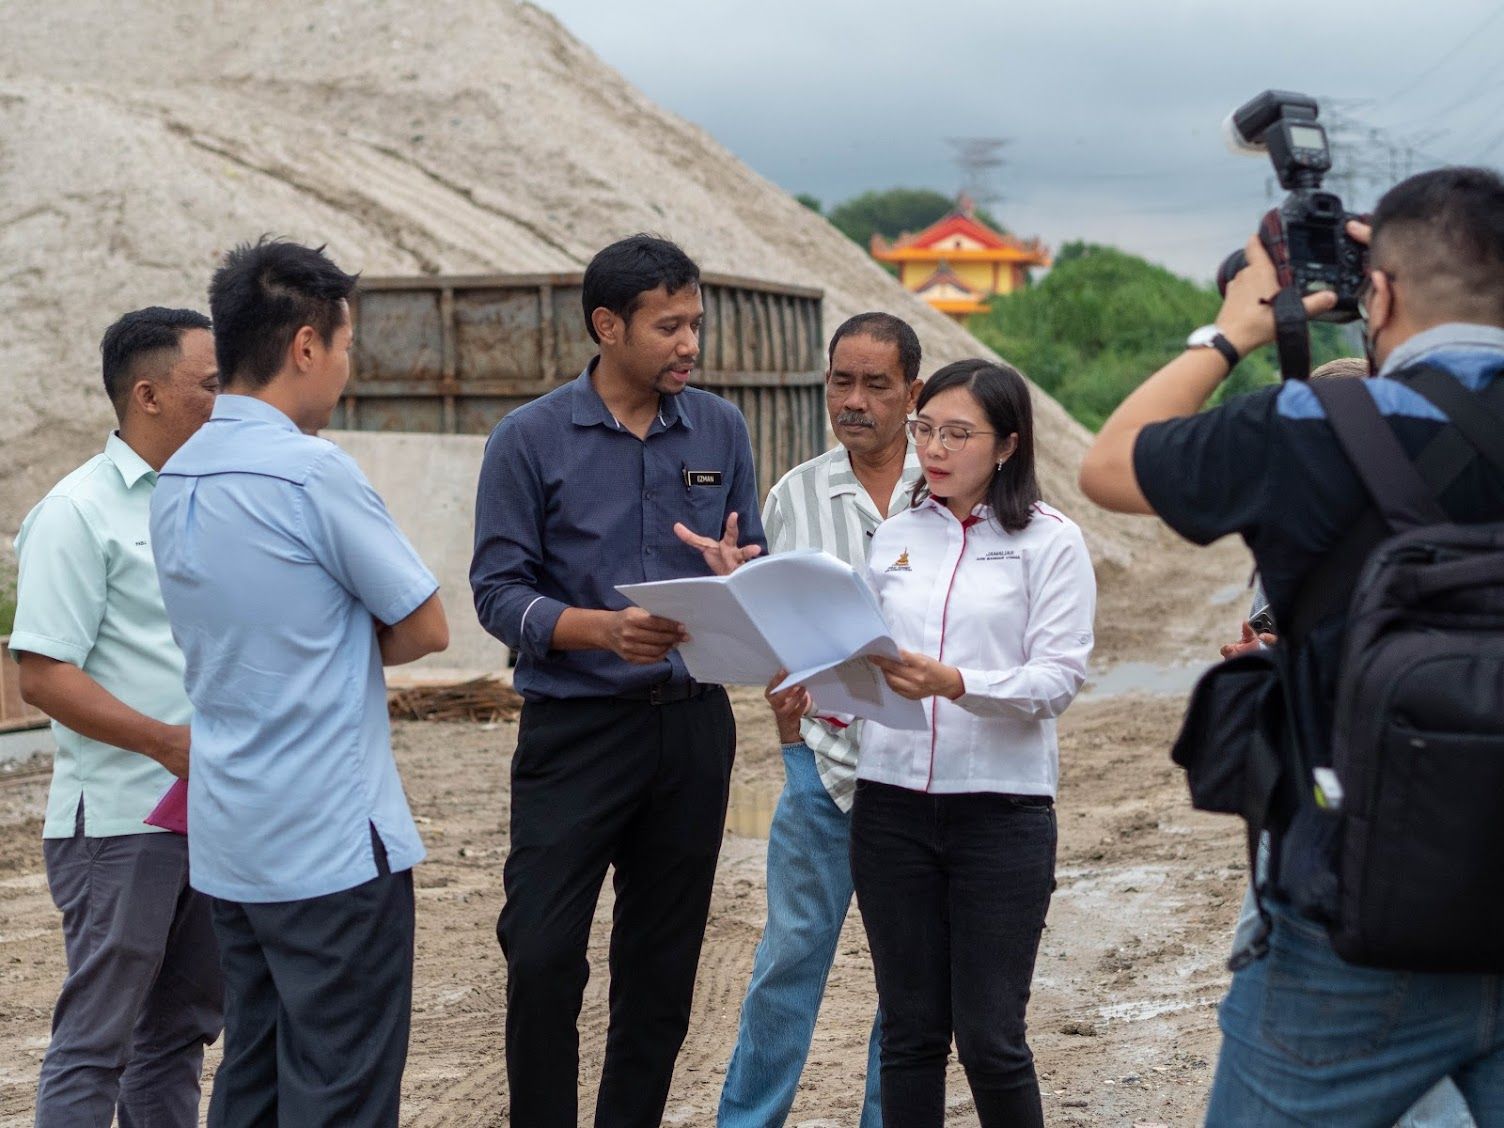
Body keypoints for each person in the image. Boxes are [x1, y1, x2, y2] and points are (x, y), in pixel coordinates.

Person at [1079, 166, 1504, 1124]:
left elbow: (1109, 463)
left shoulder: (1319, 425)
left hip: (1358, 916)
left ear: (1379, 294)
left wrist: (1235, 327)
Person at [150, 238, 449, 1127]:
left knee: (255, 1074)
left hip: (233, 837)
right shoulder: (311, 471)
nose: (346, 371)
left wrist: (314, 636)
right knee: (343, 1089)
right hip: (329, 843)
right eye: (347, 347)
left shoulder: (176, 476)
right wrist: (335, 640)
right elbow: (426, 626)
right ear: (307, 346)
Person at [471, 233, 766, 1128]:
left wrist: (735, 573)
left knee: (662, 964)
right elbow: (495, 591)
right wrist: (602, 630)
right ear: (608, 325)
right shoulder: (528, 440)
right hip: (574, 734)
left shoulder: (720, 428)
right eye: (669, 326)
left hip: (691, 731)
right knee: (543, 952)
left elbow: (751, 563)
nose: (690, 344)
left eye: (696, 325)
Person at [847, 358, 1096, 1127]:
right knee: (910, 1035)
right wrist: (820, 680)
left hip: (1001, 814)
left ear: (1008, 445)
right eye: (926, 429)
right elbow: (867, 656)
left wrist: (958, 682)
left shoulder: (1050, 542)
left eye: (959, 434)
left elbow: (1056, 679)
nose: (935, 449)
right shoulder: (895, 534)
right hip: (888, 809)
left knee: (990, 1039)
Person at [12, 307, 224, 1127]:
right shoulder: (76, 513)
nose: (226, 400)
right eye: (210, 385)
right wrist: (167, 745)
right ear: (148, 395)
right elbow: (43, 676)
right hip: (119, 823)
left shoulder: (203, 501)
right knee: (97, 1042)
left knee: (181, 1034)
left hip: (205, 811)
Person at [718, 311, 924, 1128]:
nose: (855, 399)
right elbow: (778, 628)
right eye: (842, 380)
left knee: (907, 977)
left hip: (921, 773)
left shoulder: (944, 486)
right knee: (788, 961)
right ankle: (747, 1120)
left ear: (913, 390)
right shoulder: (794, 493)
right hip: (822, 769)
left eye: (877, 384)